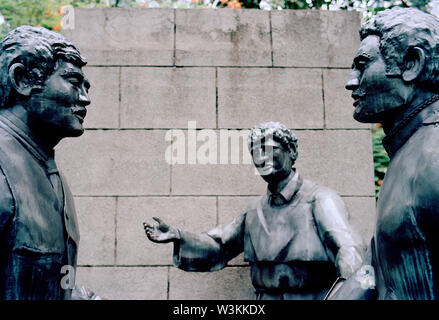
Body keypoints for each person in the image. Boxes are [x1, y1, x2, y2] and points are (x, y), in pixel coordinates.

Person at [144, 122, 364, 300]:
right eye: (255, 152)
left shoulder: (321, 199)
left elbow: (349, 250)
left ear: (292, 151)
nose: (260, 158)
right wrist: (179, 237)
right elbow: (220, 245)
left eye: (269, 149)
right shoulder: (252, 212)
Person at [329, 7, 439, 300]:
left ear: (411, 64)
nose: (351, 81)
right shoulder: (407, 153)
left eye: (363, 65)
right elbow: (374, 270)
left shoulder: (433, 156)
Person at [0, 25, 98, 300]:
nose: (85, 98)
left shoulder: (51, 173)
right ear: (22, 79)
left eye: (86, 87)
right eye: (72, 81)